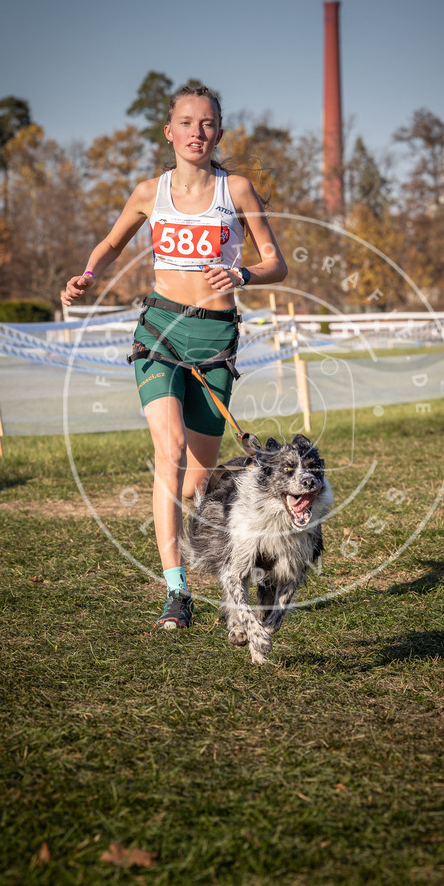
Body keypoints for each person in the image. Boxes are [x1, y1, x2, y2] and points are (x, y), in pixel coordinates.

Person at [63, 85, 287, 629]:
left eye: (207, 123)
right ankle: (176, 590)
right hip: (160, 331)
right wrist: (88, 276)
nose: (196, 132)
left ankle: (210, 551)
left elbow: (275, 261)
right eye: (186, 122)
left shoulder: (237, 190)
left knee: (197, 479)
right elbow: (112, 243)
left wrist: (242, 273)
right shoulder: (149, 192)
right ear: (170, 131)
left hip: (215, 340)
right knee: (171, 450)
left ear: (218, 133)